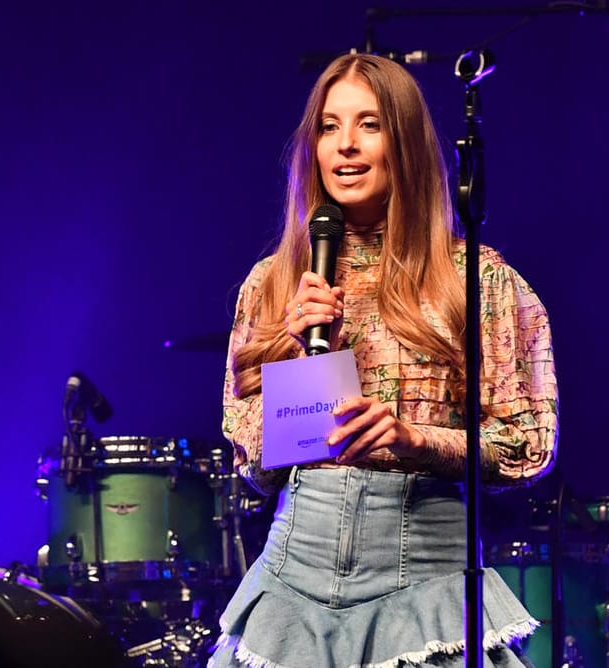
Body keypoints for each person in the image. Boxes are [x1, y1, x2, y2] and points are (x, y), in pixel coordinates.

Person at [209, 53, 558, 668]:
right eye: (328, 126)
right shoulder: (273, 284)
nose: (345, 145)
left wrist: (414, 439)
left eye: (369, 125)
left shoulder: (477, 279)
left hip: (423, 571)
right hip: (296, 570)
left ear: (406, 143)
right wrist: (298, 354)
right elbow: (251, 465)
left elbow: (529, 444)